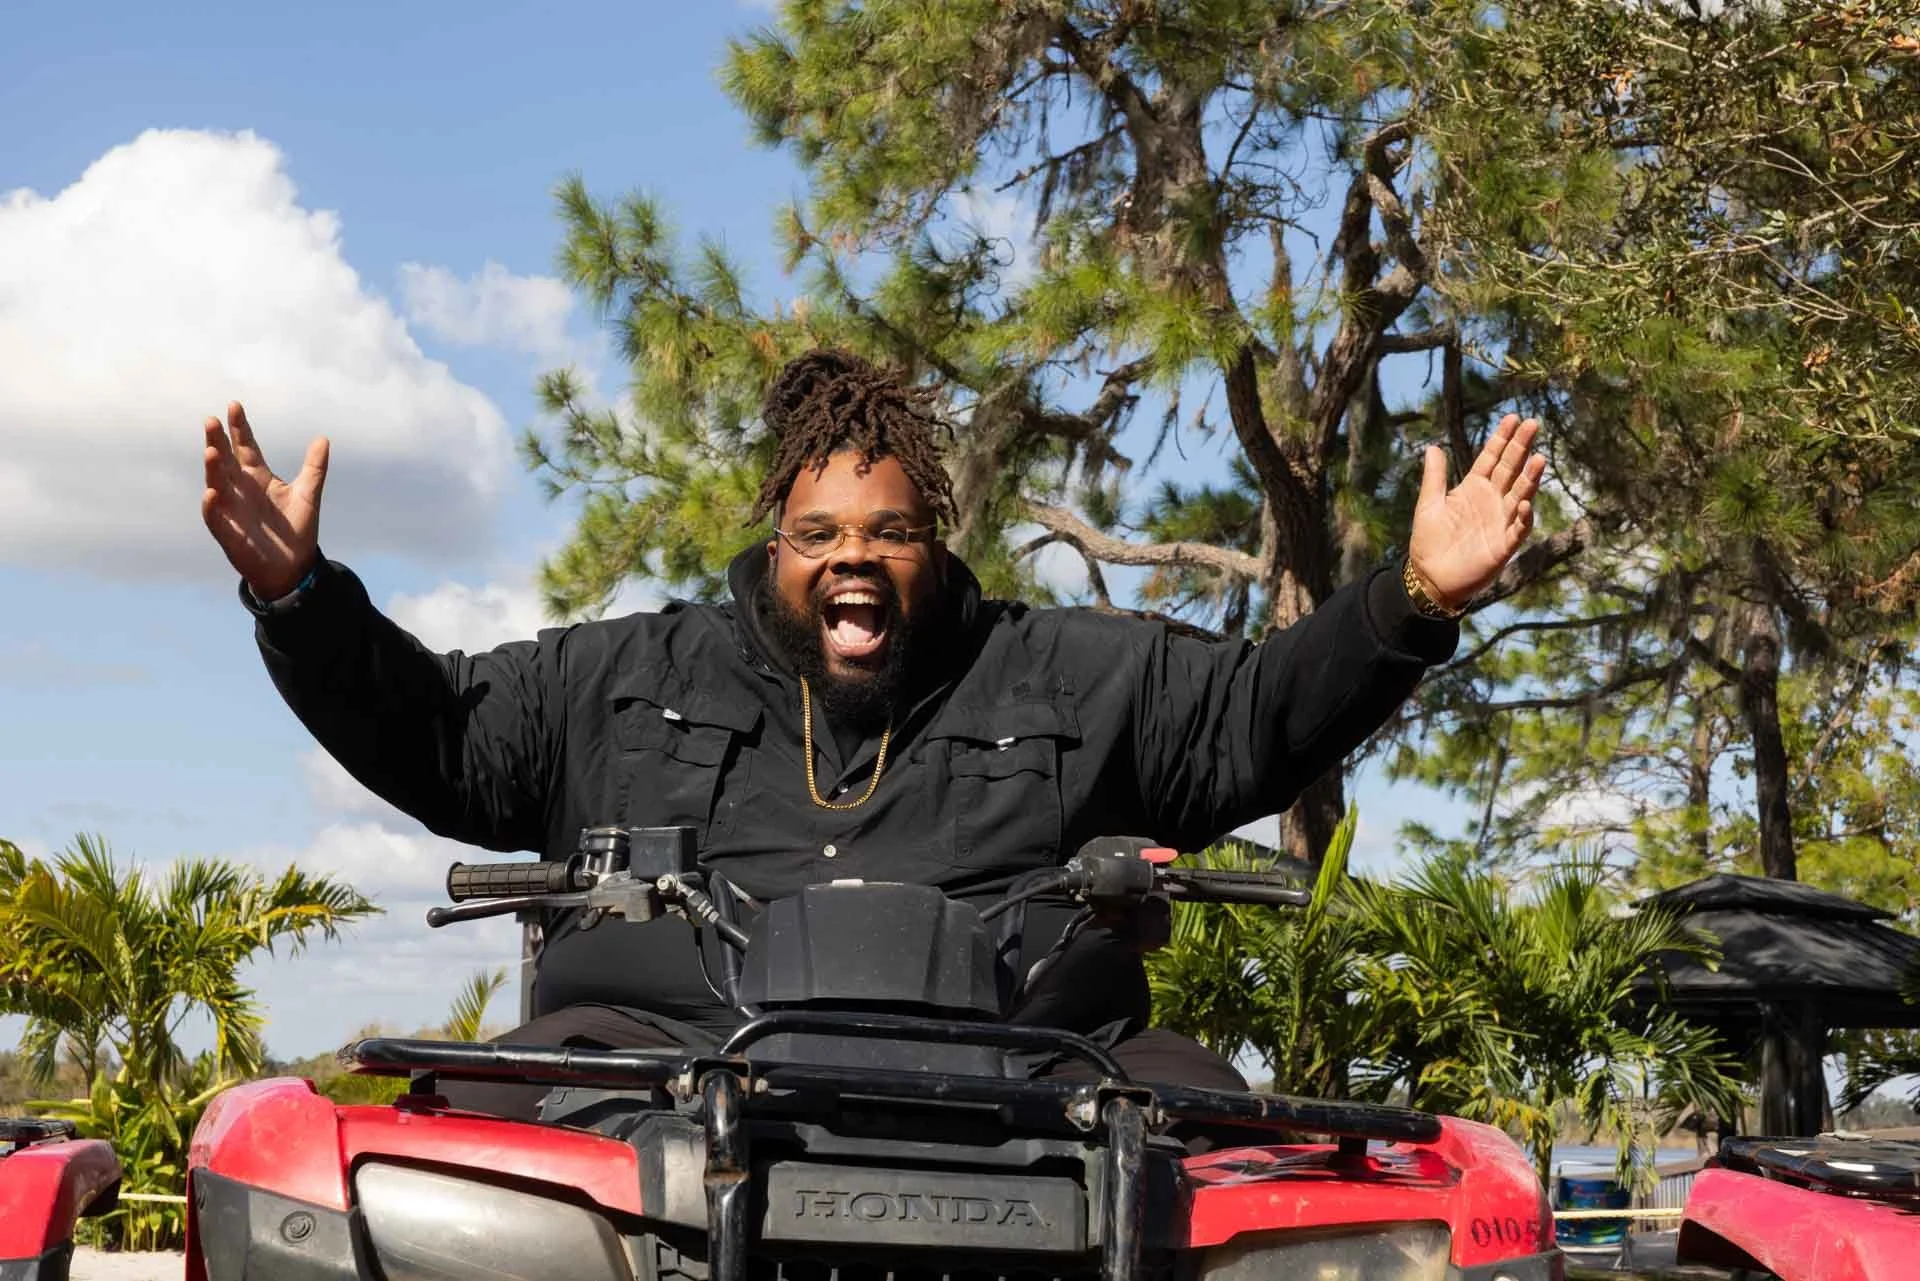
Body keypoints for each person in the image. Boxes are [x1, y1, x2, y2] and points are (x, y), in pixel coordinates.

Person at [199, 348, 1545, 1120]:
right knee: (422, 1150)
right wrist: (302, 600)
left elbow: (1257, 712)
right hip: (638, 1079)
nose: (857, 561)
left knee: (1243, 1144)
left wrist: (1409, 602)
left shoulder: (1068, 672)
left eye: (891, 532)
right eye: (824, 535)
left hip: (1047, 1079)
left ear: (933, 542)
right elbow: (440, 734)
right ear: (773, 538)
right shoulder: (624, 673)